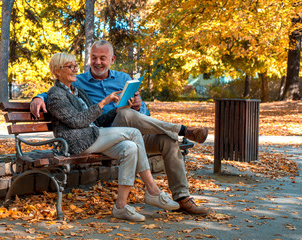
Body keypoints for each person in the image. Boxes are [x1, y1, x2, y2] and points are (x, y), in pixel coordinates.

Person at [31, 40, 209, 215]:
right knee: (124, 115)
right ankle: (182, 131)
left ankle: (182, 197)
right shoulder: (79, 82)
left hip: (126, 132)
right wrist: (38, 98)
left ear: (112, 59)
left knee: (167, 140)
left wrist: (139, 106)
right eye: (94, 58)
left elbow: (143, 114)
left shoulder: (124, 78)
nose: (98, 62)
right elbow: (55, 93)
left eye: (103, 58)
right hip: (104, 134)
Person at [47, 52, 180, 222]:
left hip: (92, 135)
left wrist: (117, 109)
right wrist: (103, 102)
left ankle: (121, 207)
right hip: (77, 142)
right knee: (133, 133)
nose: (75, 70)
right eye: (70, 66)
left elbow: (97, 120)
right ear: (58, 71)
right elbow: (76, 121)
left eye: (75, 65)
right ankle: (153, 190)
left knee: (130, 148)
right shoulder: (56, 95)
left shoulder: (77, 92)